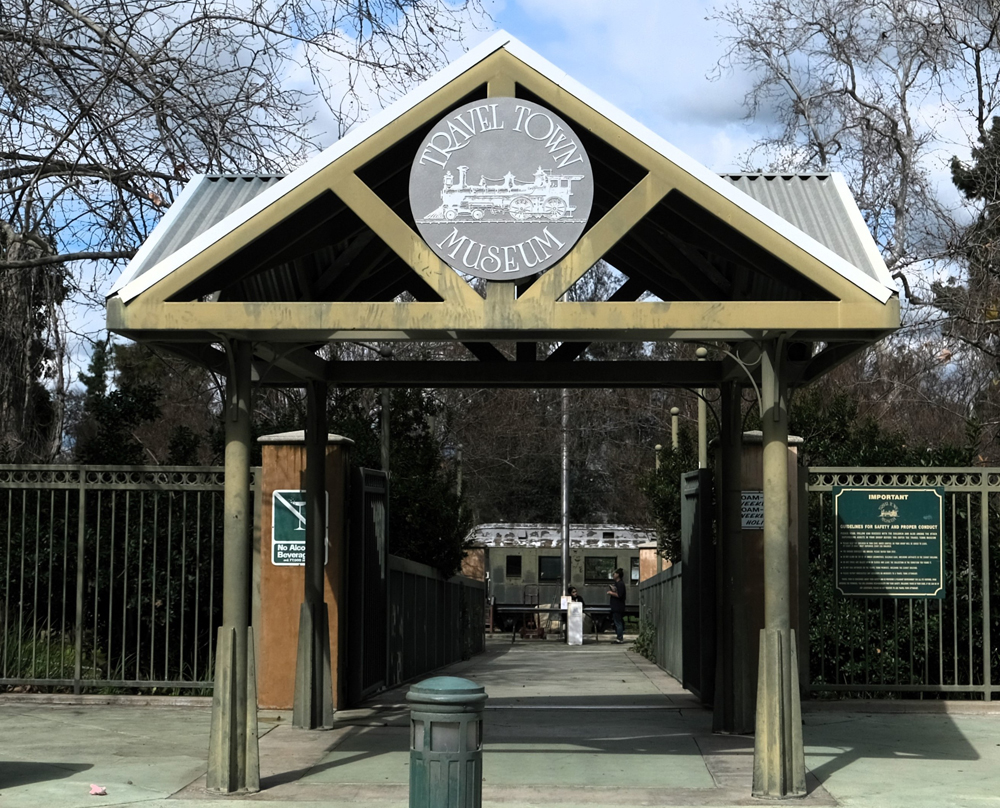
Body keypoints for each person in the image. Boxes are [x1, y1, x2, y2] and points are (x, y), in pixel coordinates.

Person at [607, 568, 626, 643]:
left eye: (614, 574)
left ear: (618, 575)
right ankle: (619, 637)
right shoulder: (617, 583)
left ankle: (619, 638)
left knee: (618, 622)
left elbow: (620, 595)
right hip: (616, 606)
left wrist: (611, 593)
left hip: (618, 606)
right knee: (617, 622)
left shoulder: (620, 583)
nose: (613, 575)